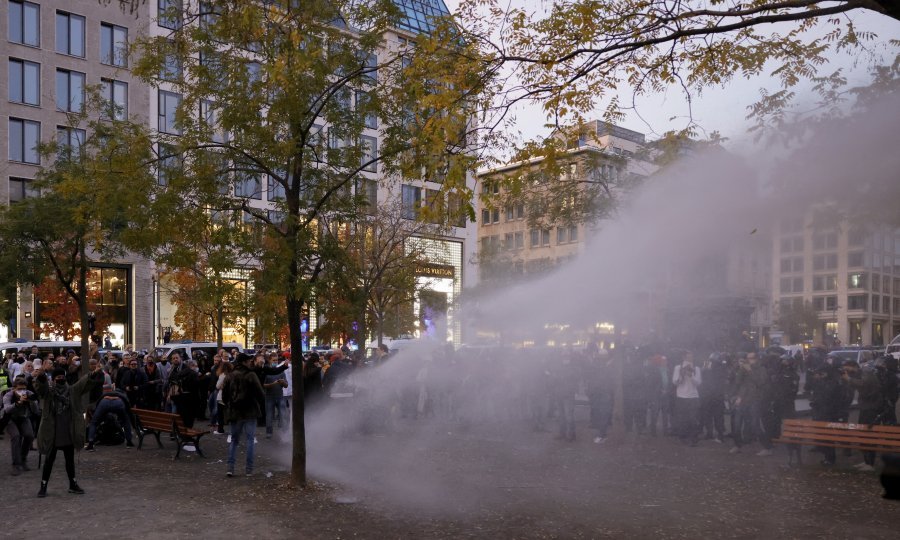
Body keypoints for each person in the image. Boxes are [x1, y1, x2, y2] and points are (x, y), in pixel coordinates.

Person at [33, 366, 103, 497]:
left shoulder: (72, 390)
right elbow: (40, 388)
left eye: (62, 376)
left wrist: (93, 374)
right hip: (52, 432)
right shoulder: (49, 392)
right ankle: (43, 486)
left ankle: (73, 484)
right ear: (53, 379)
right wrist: (41, 377)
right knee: (49, 461)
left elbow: (83, 383)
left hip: (69, 430)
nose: (60, 378)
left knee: (70, 460)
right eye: (57, 377)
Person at [223, 354, 265, 477]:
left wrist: (230, 404)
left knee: (234, 440)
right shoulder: (251, 375)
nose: (250, 363)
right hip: (250, 411)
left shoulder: (230, 375)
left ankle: (230, 468)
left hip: (235, 412)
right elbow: (260, 393)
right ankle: (249, 469)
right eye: (249, 361)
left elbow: (224, 395)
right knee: (250, 440)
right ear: (244, 362)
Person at [841, 360, 883, 471]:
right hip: (866, 407)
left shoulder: (866, 372)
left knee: (869, 434)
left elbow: (864, 384)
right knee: (863, 434)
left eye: (847, 368)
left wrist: (849, 379)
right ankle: (867, 461)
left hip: (871, 408)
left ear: (854, 366)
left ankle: (870, 464)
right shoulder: (858, 374)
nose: (846, 371)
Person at [3, 376, 38, 475]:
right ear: (14, 388)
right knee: (16, 436)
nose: (22, 391)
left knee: (29, 435)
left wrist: (31, 402)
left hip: (23, 417)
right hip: (10, 419)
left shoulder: (29, 394)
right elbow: (7, 409)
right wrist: (18, 403)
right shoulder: (8, 395)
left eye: (24, 389)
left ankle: (23, 459)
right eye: (19, 389)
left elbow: (36, 410)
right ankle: (16, 464)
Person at [85, 383, 135, 451]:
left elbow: (98, 403)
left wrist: (98, 415)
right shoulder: (124, 394)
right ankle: (129, 442)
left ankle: (91, 443)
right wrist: (132, 422)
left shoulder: (106, 393)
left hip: (104, 402)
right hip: (119, 403)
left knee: (94, 423)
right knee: (126, 421)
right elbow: (128, 409)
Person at [672, 351, 702, 446]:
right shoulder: (678, 367)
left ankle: (693, 438)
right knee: (682, 418)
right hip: (681, 396)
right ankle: (683, 437)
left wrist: (691, 376)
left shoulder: (696, 368)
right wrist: (682, 375)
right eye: (688, 357)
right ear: (683, 358)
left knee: (693, 418)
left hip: (693, 396)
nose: (690, 359)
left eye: (691, 357)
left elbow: (698, 383)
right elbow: (675, 382)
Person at [263, 356, 288, 439]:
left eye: (276, 360)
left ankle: (285, 432)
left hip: (280, 396)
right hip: (269, 397)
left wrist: (283, 382)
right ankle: (269, 432)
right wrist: (272, 384)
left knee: (283, 414)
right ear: (269, 360)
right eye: (273, 360)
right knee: (269, 416)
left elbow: (286, 385)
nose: (275, 362)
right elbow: (263, 385)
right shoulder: (267, 372)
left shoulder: (281, 371)